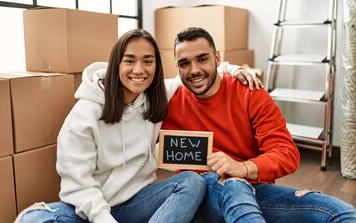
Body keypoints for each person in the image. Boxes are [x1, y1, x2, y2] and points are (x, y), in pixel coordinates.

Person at [14, 29, 261, 223]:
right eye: (130, 61)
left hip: (136, 203)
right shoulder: (84, 115)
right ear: (116, 65)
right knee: (33, 218)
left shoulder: (155, 96)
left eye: (148, 61)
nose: (139, 70)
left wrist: (233, 68)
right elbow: (78, 185)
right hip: (88, 210)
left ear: (156, 66)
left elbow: (192, 74)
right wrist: (103, 218)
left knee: (192, 182)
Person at [161, 27, 356, 223]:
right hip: (201, 196)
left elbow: (286, 152)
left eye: (202, 59)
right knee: (233, 184)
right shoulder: (167, 101)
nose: (194, 70)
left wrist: (243, 168)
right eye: (184, 63)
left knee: (341, 213)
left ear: (217, 59)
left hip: (255, 191)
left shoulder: (250, 92)